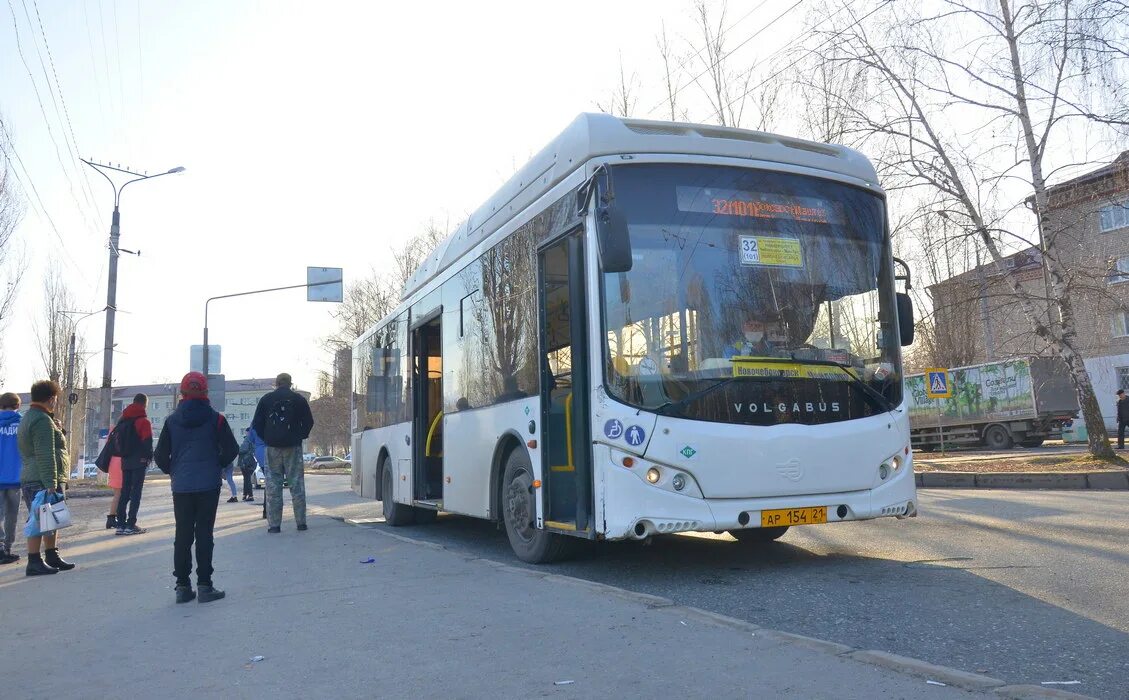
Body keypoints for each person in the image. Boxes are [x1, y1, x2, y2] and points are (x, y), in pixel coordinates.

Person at [154, 372, 239, 604]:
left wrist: (174, 471)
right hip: (208, 485)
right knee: (204, 533)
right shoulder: (217, 419)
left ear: (182, 393)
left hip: (181, 486)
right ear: (205, 392)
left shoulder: (171, 421)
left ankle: (182, 587)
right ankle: (205, 586)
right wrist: (217, 465)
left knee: (182, 534)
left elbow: (160, 455)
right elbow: (232, 449)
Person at [17, 380, 73, 576]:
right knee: (38, 520)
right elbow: (45, 452)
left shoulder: (35, 417)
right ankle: (34, 561)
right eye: (56, 398)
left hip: (39, 476)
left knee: (51, 518)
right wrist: (50, 482)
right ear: (51, 399)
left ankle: (51, 555)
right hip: (41, 478)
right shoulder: (41, 420)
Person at [251, 373, 313, 534]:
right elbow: (308, 422)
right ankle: (301, 523)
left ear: (276, 384)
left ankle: (274, 525)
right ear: (290, 383)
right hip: (293, 446)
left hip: (272, 448)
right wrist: (299, 435)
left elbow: (256, 424)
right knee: (296, 484)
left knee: (273, 486)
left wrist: (268, 437)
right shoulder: (298, 399)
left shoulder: (266, 399)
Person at [114, 394, 154, 535]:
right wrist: (148, 457)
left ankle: (120, 524)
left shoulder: (123, 420)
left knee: (124, 492)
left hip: (125, 461)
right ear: (144, 404)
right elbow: (147, 442)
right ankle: (131, 524)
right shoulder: (143, 422)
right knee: (136, 493)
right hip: (139, 461)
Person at [0, 392, 23, 565]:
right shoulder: (23, 424)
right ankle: (7, 547)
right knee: (11, 515)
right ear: (18, 406)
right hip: (16, 477)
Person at [237, 430, 257, 501]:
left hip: (246, 462)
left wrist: (237, 450)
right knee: (246, 478)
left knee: (247, 479)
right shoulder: (254, 439)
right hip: (252, 462)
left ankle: (250, 495)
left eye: (246, 431)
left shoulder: (247, 438)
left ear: (248, 432)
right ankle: (245, 494)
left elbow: (243, 449)